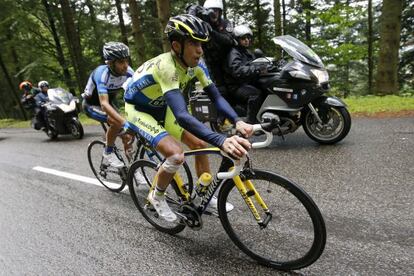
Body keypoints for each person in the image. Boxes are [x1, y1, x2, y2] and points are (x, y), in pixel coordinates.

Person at [124, 14, 253, 222]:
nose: (200, 50)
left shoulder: (197, 66)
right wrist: (221, 140)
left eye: (202, 44)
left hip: (162, 105)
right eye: (194, 43)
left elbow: (216, 97)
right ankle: (156, 195)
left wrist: (237, 121)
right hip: (139, 109)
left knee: (199, 143)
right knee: (176, 155)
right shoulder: (167, 67)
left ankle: (204, 195)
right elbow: (182, 115)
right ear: (176, 45)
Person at [82, 42, 134, 168]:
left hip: (109, 103)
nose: (126, 66)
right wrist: (123, 122)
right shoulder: (102, 73)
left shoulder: (129, 72)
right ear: (110, 63)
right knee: (116, 122)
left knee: (127, 137)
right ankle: (108, 151)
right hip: (92, 105)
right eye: (121, 62)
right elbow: (104, 104)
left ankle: (134, 168)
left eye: (127, 61)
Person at [187, 0, 235, 94]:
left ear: (220, 12)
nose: (214, 14)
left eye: (216, 11)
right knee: (216, 89)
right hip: (209, 62)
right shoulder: (202, 24)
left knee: (228, 89)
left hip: (226, 62)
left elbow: (229, 41)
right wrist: (194, 10)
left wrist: (212, 32)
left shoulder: (225, 23)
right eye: (211, 11)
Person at [224, 25, 266, 124]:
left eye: (248, 38)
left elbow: (254, 63)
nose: (247, 40)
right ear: (236, 40)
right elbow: (237, 70)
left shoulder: (246, 52)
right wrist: (257, 70)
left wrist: (269, 65)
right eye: (243, 38)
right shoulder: (234, 53)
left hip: (245, 83)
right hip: (235, 86)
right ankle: (251, 123)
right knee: (255, 94)